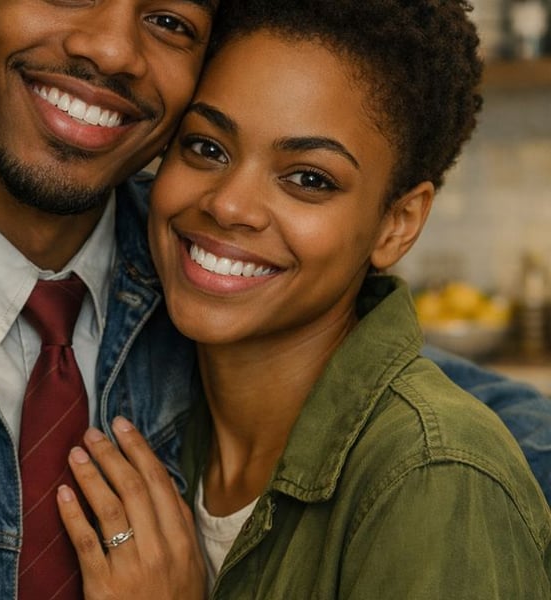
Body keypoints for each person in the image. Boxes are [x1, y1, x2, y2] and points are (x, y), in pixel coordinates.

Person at [0, 0, 548, 598]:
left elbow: (416, 421)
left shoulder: (204, 286)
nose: (112, 49)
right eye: (209, 149)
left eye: (170, 21)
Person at [57, 0, 551, 597]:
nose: (229, 204)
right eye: (208, 148)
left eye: (309, 179)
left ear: (397, 223)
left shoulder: (435, 479)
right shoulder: (157, 415)